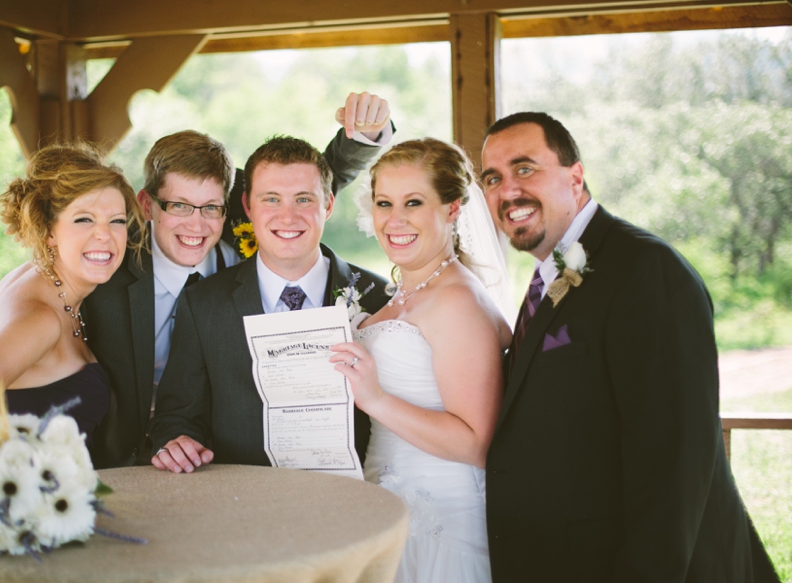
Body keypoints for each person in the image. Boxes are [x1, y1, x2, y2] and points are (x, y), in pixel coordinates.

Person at [480, 112, 780, 582]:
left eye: (524, 168)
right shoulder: (551, 275)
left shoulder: (647, 271)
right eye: (492, 178)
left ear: (575, 177)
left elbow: (675, 460)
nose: (507, 191)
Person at [83, 92, 395, 469]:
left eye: (211, 208)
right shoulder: (108, 275)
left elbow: (303, 182)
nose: (195, 225)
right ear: (148, 205)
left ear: (231, 206)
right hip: (145, 463)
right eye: (178, 206)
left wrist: (363, 138)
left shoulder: (374, 294)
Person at [0, 142, 144, 582]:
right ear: (49, 230)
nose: (107, 235)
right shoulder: (40, 318)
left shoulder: (28, 278)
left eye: (117, 220)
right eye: (85, 220)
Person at [146, 135, 388, 473]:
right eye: (271, 199)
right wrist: (177, 441)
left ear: (328, 205)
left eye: (303, 199)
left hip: (359, 498)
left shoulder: (380, 298)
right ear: (247, 206)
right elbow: (177, 416)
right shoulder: (203, 304)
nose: (287, 217)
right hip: (243, 505)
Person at [329, 138, 511, 582]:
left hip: (440, 528)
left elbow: (476, 444)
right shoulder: (407, 292)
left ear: (452, 208)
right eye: (384, 203)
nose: (395, 220)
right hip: (387, 512)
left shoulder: (457, 301)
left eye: (414, 202)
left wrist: (375, 399)